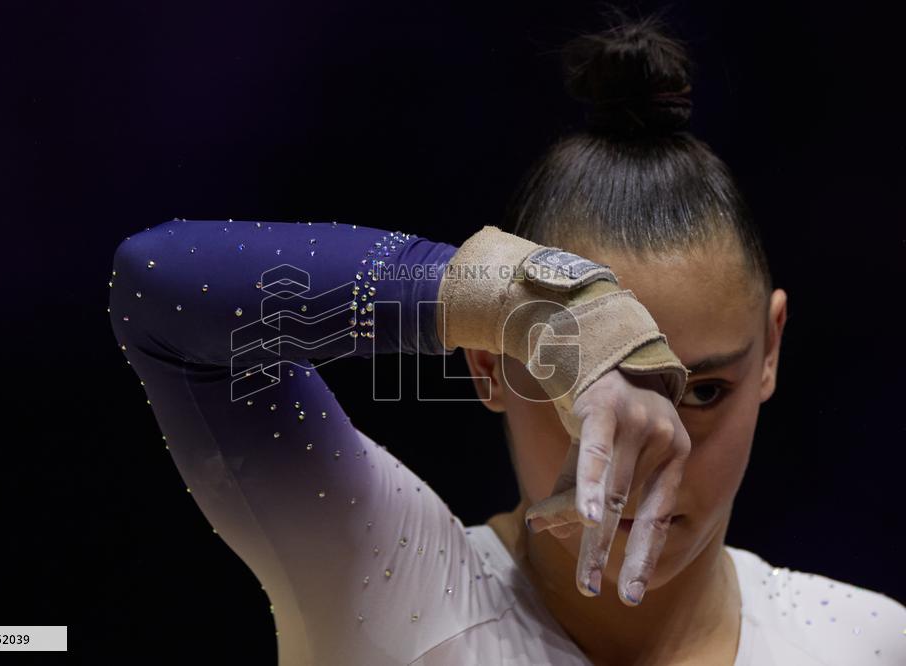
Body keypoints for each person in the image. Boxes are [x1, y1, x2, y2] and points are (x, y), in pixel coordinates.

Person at [106, 15, 905, 666]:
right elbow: (157, 286)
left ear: (771, 349)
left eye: (704, 392)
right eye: (585, 394)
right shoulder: (385, 580)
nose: (648, 448)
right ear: (489, 364)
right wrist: (535, 308)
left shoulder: (866, 641)